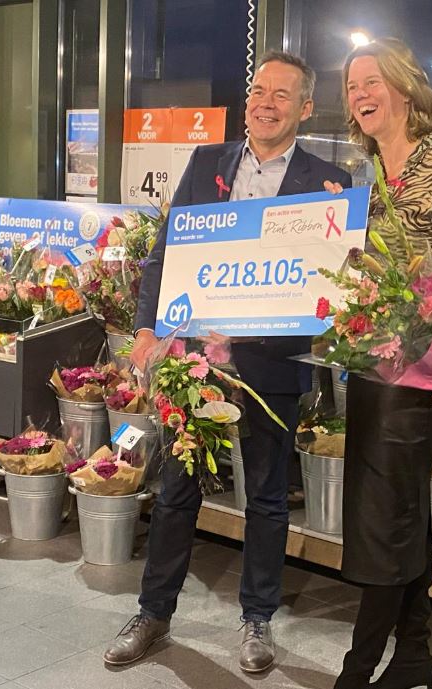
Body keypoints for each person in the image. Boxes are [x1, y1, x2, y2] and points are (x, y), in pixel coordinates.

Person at [103, 51, 353, 674]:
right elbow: (165, 253)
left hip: (272, 365)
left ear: (304, 108)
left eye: (281, 94)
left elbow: (346, 276)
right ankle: (154, 614)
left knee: (267, 499)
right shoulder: (208, 162)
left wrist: (343, 229)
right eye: (257, 90)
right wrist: (144, 326)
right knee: (176, 492)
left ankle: (257, 622)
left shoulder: (329, 178)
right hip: (197, 363)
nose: (265, 102)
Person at [328, 38, 432, 689]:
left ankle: (357, 665)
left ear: (402, 88)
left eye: (369, 81)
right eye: (350, 86)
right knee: (400, 510)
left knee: (379, 511)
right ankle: (417, 654)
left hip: (425, 366)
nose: (359, 94)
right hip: (370, 363)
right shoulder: (365, 174)